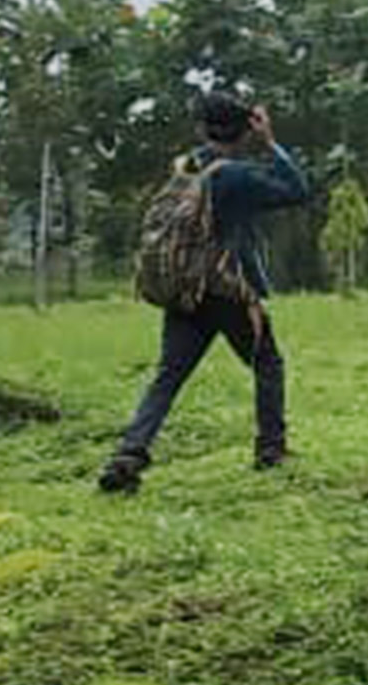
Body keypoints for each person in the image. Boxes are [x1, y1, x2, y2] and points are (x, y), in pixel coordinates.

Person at [99, 90, 314, 492]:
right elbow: (298, 190)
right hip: (228, 289)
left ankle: (130, 452)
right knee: (267, 362)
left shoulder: (187, 167)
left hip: (184, 287)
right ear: (245, 130)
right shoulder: (235, 175)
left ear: (203, 128)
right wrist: (270, 143)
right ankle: (271, 448)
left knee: (169, 375)